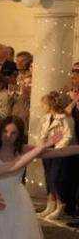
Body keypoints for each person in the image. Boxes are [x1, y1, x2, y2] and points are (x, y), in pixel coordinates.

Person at [37, 91, 75, 221]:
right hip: (48, 149)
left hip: (59, 151)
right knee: (48, 176)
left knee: (56, 177)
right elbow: (43, 132)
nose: (42, 107)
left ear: (50, 104)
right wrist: (42, 145)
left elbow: (68, 134)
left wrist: (59, 149)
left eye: (44, 104)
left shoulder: (65, 117)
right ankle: (50, 203)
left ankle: (61, 205)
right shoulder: (47, 117)